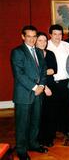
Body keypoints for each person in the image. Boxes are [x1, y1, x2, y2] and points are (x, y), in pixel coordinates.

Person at [11, 25, 48, 160]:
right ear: (23, 37)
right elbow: (19, 74)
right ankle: (21, 150)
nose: (32, 39)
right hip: (24, 94)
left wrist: (42, 85)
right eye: (29, 36)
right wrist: (35, 87)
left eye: (34, 36)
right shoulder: (17, 52)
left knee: (35, 121)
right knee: (22, 124)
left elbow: (44, 70)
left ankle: (33, 144)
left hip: (38, 93)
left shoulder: (39, 51)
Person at [47, 24, 69, 137]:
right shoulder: (45, 45)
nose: (58, 36)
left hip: (65, 81)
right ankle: (52, 130)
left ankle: (65, 128)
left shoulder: (66, 45)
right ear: (50, 34)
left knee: (66, 107)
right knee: (52, 108)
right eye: (55, 34)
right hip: (51, 82)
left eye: (60, 34)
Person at [35, 32, 58, 148]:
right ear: (35, 41)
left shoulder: (50, 54)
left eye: (45, 40)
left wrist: (39, 72)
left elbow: (54, 70)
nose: (43, 43)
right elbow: (32, 74)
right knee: (39, 114)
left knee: (50, 113)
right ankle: (39, 138)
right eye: (40, 40)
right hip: (38, 87)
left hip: (51, 85)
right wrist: (44, 86)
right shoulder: (32, 54)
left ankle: (49, 137)